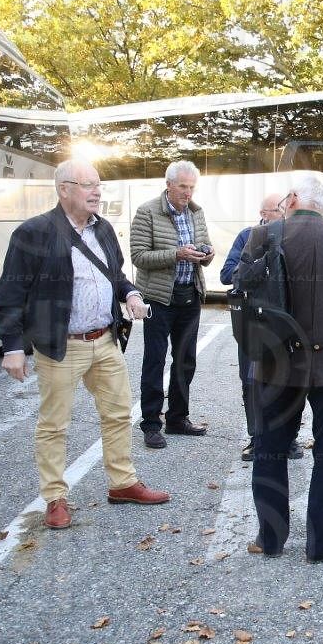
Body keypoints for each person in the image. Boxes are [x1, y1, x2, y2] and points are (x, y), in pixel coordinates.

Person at [0, 159, 170, 530]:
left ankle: (122, 483)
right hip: (61, 345)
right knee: (54, 425)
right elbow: (10, 294)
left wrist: (131, 294)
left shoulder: (102, 229)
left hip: (104, 339)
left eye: (98, 184)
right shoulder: (34, 232)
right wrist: (12, 346)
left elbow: (115, 275)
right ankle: (55, 498)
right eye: (88, 184)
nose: (97, 191)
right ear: (64, 189)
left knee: (118, 414)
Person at [237, 174, 323, 562]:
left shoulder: (261, 235)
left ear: (294, 198)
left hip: (276, 360)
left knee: (269, 449)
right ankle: (322, 541)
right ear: (322, 205)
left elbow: (244, 294)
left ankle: (270, 538)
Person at [130, 160, 215, 449]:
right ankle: (151, 424)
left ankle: (178, 419)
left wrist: (207, 254)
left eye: (192, 187)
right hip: (158, 299)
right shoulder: (147, 212)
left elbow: (205, 249)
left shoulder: (196, 212)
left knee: (185, 360)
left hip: (190, 295)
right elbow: (139, 256)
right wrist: (176, 254)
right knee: (155, 361)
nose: (188, 192)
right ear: (168, 185)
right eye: (182, 186)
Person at [220, 193, 301, 462]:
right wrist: (260, 263)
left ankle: (289, 439)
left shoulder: (293, 236)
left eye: (283, 209)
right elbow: (228, 274)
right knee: (251, 382)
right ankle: (257, 438)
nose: (283, 214)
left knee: (290, 380)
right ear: (264, 214)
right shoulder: (248, 236)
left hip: (287, 321)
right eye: (277, 210)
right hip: (254, 323)